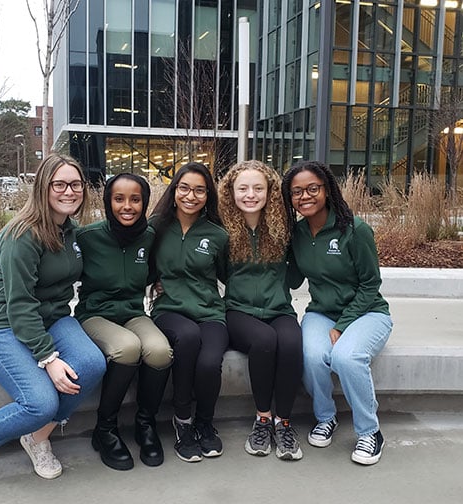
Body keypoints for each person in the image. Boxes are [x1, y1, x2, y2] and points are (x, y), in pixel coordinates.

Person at [0, 153, 106, 499]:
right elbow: (19, 305)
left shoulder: (71, 231)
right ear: (43, 188)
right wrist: (48, 358)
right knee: (40, 402)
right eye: (58, 184)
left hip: (53, 319)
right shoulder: (21, 235)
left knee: (92, 364)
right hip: (0, 328)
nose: (69, 191)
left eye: (75, 184)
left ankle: (37, 436)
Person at [281, 160, 392, 466]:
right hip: (321, 311)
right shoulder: (297, 233)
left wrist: (342, 325)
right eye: (296, 192)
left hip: (368, 313)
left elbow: (371, 285)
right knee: (313, 355)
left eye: (312, 189)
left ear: (327, 190)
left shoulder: (355, 230)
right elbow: (291, 280)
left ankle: (370, 432)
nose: (305, 196)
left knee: (345, 357)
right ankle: (325, 417)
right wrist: (275, 250)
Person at [74, 173, 173, 471]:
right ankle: (104, 428)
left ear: (144, 203)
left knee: (159, 350)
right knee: (128, 347)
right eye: (119, 199)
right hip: (95, 314)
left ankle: (145, 424)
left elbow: (156, 269)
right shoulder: (87, 237)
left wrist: (161, 283)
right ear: (108, 202)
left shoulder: (149, 236)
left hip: (132, 312)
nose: (127, 206)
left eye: (135, 199)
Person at [218, 160, 303, 460]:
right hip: (238, 312)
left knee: (292, 343)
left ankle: (284, 423)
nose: (250, 194)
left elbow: (296, 275)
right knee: (265, 341)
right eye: (243, 188)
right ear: (231, 192)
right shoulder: (222, 228)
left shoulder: (283, 228)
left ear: (270, 192)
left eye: (258, 188)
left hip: (279, 308)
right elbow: (214, 270)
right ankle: (263, 419)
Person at [150, 162, 229, 463]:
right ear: (174, 191)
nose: (191, 196)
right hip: (169, 310)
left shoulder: (217, 235)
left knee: (209, 363)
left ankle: (204, 424)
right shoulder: (156, 227)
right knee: (187, 336)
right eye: (184, 188)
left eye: (200, 190)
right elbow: (140, 269)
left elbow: (229, 276)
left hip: (210, 312)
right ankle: (182, 421)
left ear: (208, 195)